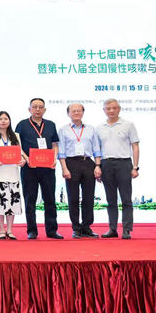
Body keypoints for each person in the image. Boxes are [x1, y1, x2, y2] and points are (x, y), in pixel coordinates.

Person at [15, 98, 62, 240]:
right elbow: (17, 145)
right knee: (30, 200)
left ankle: (52, 230)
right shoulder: (22, 125)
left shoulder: (51, 125)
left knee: (50, 199)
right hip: (30, 167)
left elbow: (54, 144)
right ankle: (32, 230)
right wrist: (27, 159)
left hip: (48, 168)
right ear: (29, 109)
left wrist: (54, 158)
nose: (37, 109)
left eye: (40, 107)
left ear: (45, 109)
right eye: (34, 106)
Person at [58, 103, 102, 239]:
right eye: (73, 111)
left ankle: (86, 227)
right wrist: (64, 168)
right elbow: (61, 151)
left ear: (83, 112)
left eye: (79, 110)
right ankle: (76, 228)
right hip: (71, 163)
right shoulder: (63, 130)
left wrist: (98, 165)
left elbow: (96, 148)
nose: (76, 113)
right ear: (68, 113)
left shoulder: (91, 129)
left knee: (89, 197)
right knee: (73, 197)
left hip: (88, 162)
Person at [97, 99, 140, 240]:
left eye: (114, 108)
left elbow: (135, 146)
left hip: (124, 163)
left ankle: (127, 229)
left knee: (126, 199)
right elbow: (97, 150)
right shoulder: (99, 127)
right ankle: (112, 229)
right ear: (104, 110)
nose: (111, 110)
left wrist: (135, 167)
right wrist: (98, 167)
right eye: (108, 108)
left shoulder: (128, 124)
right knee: (111, 200)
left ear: (119, 109)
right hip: (106, 164)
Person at [0, 111, 27, 240]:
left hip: (12, 173)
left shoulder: (15, 136)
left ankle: (10, 230)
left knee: (12, 203)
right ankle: (1, 230)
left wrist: (23, 160)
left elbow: (20, 152)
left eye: (6, 119)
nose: (3, 121)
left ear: (9, 121)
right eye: (0, 119)